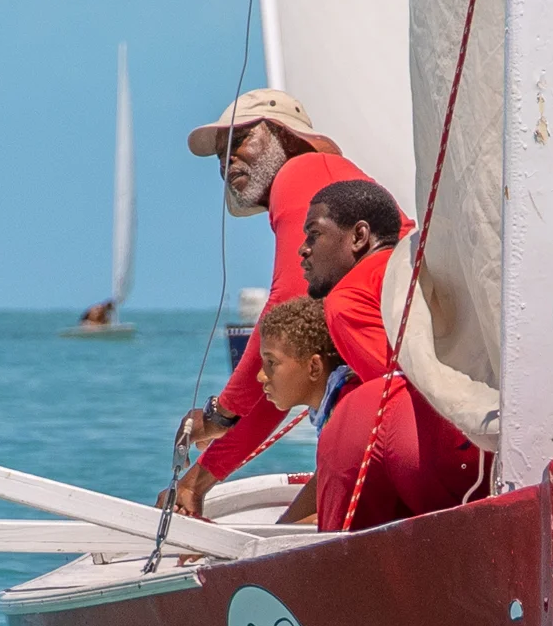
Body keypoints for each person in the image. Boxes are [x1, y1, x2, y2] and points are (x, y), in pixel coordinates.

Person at [162, 89, 409, 516]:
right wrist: (197, 481)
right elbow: (281, 379)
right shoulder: (322, 184)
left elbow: (284, 307)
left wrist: (221, 412)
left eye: (239, 141)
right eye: (221, 156)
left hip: (397, 414)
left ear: (285, 137)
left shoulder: (301, 170)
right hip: (399, 409)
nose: (227, 162)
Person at [300, 179, 488, 531]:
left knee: (357, 408)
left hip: (452, 448)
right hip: (505, 429)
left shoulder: (346, 299)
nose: (303, 249)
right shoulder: (420, 265)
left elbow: (395, 389)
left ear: (359, 237)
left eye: (314, 234)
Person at [247, 296, 356, 525]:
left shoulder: (346, 414)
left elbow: (339, 518)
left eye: (271, 363)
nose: (261, 376)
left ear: (314, 367)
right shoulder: (333, 405)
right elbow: (324, 481)